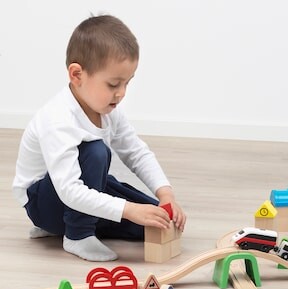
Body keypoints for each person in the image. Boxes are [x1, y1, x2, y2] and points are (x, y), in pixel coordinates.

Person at [12, 15, 186, 262]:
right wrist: (128, 209)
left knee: (155, 221)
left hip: (81, 189)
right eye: (113, 84)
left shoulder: (108, 110)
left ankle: (68, 227)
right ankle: (78, 235)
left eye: (127, 83)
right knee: (95, 151)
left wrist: (165, 194)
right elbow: (69, 190)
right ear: (77, 75)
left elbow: (136, 152)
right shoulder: (58, 119)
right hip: (45, 203)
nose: (121, 93)